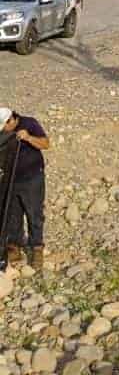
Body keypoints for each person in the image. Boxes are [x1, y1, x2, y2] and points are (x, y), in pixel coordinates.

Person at [0, 107, 50, 272]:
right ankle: (15, 246)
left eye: (3, 127)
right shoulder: (4, 133)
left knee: (34, 213)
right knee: (13, 213)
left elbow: (45, 143)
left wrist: (28, 137)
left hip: (32, 178)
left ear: (11, 120)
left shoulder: (30, 123)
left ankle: (36, 248)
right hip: (11, 179)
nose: (3, 131)